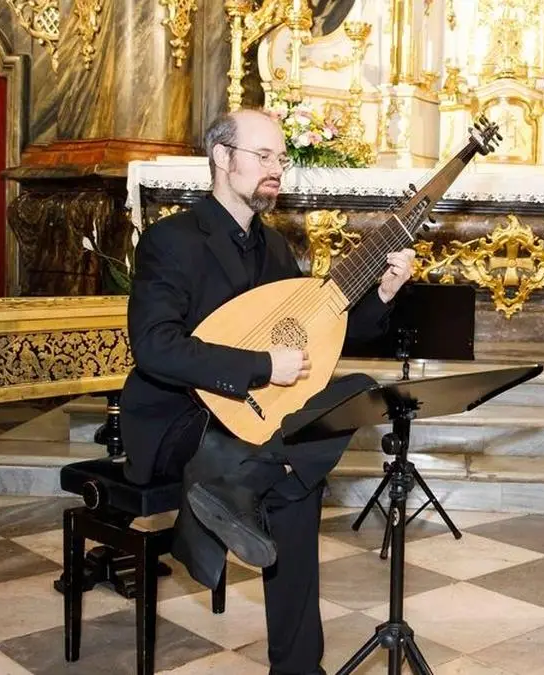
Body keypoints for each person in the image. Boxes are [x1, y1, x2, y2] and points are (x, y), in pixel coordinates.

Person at [119, 108, 416, 675]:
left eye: (281, 158)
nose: (276, 168)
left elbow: (321, 333)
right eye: (263, 156)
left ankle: (242, 484)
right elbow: (154, 347)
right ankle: (298, 665)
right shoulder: (172, 240)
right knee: (297, 484)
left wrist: (383, 292)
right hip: (180, 418)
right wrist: (260, 365)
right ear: (222, 157)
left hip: (252, 420)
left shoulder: (275, 248)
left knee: (354, 390)